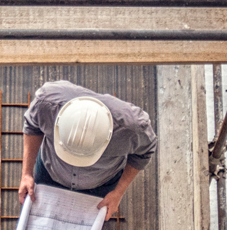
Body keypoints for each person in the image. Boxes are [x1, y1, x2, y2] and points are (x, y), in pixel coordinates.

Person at [17, 80, 157, 218]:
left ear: (108, 137)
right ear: (58, 122)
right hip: (50, 172)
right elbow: (32, 126)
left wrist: (118, 193)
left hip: (101, 184)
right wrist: (27, 174)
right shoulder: (46, 103)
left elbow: (145, 152)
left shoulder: (133, 128)